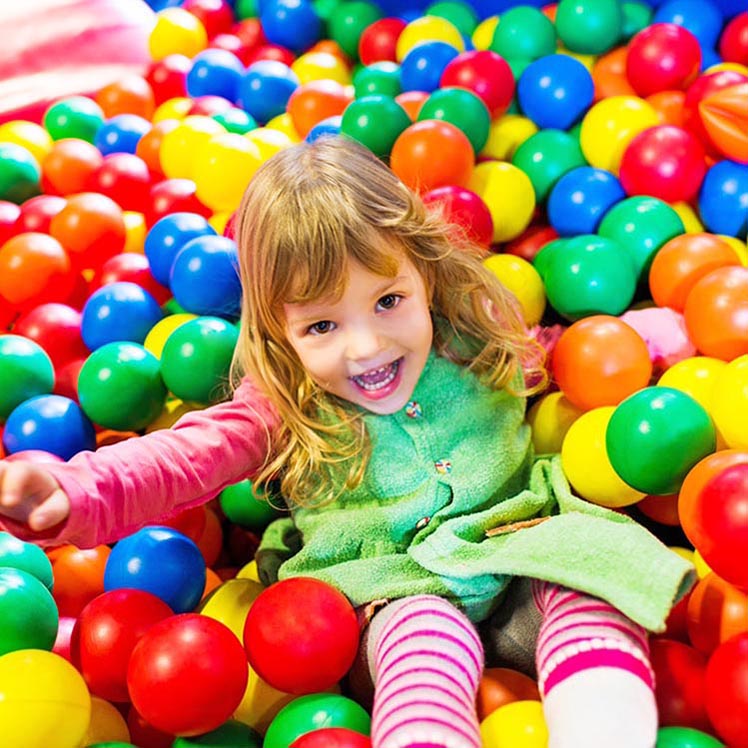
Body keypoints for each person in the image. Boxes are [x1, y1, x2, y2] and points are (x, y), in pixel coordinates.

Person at [0, 137, 694, 748]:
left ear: (424, 271)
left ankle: (605, 728)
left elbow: (559, 354)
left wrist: (657, 335)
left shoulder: (474, 339)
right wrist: (72, 488)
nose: (367, 347)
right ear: (278, 334)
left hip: (518, 547)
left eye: (388, 301)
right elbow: (184, 457)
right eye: (322, 327)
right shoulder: (282, 406)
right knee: (422, 639)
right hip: (389, 590)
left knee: (589, 569)